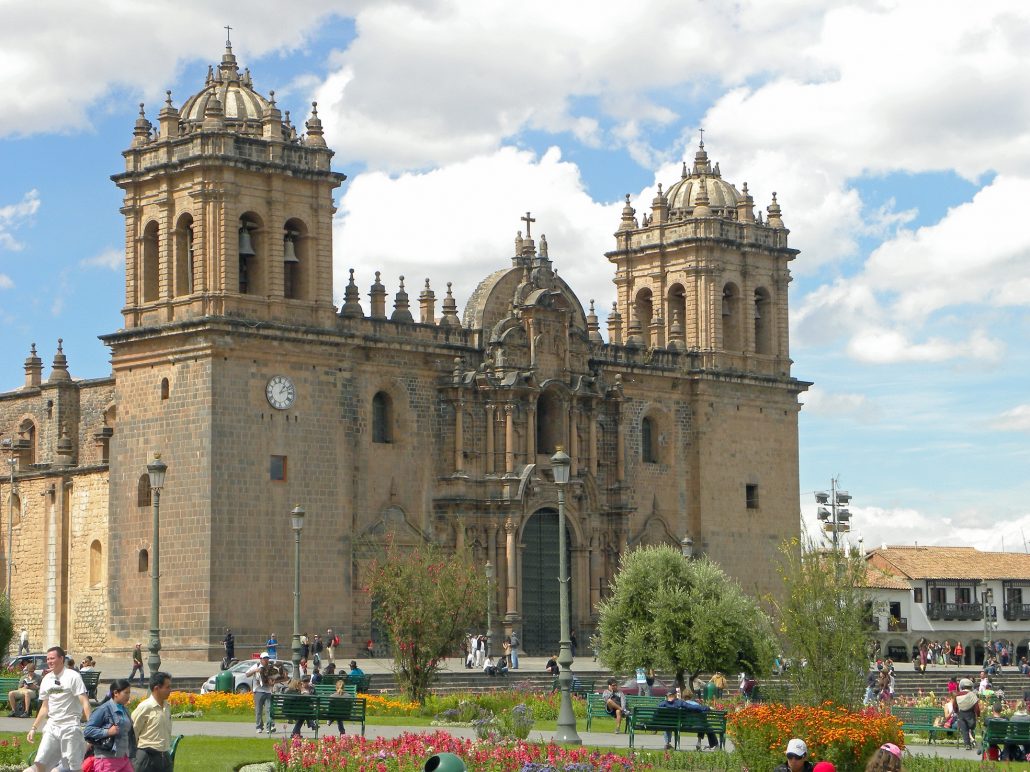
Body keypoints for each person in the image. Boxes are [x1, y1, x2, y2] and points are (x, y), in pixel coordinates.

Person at [25, 646, 91, 772]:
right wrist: (33, 728)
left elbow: (85, 701)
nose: (49, 661)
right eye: (48, 659)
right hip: (52, 726)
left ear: (61, 659)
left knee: (74, 767)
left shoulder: (73, 676)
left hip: (70, 727)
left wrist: (91, 725)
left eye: (52, 658)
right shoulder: (46, 679)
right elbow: (45, 708)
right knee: (40, 763)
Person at [83, 679, 136, 772]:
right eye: (126, 693)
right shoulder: (103, 709)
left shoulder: (125, 710)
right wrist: (107, 732)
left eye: (129, 693)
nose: (128, 696)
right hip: (107, 759)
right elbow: (88, 730)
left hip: (123, 757)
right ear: (116, 693)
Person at [130, 671, 173, 772]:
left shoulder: (167, 706)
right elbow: (133, 732)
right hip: (146, 757)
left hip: (164, 756)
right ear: (157, 688)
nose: (170, 690)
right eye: (167, 687)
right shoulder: (145, 707)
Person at [246, 652, 283, 734]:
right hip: (258, 691)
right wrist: (255, 670)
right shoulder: (257, 665)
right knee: (258, 710)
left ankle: (270, 726)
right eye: (264, 658)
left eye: (267, 658)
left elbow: (275, 678)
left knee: (269, 710)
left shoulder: (270, 668)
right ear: (261, 659)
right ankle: (259, 727)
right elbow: (247, 674)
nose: (266, 660)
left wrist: (273, 681)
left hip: (268, 691)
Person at [951, 677, 980, 750]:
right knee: (971, 727)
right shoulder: (973, 695)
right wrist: (978, 715)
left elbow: (954, 706)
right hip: (970, 714)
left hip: (961, 714)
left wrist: (957, 711)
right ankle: (971, 740)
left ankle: (967, 744)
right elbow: (976, 707)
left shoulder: (957, 695)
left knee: (964, 730)